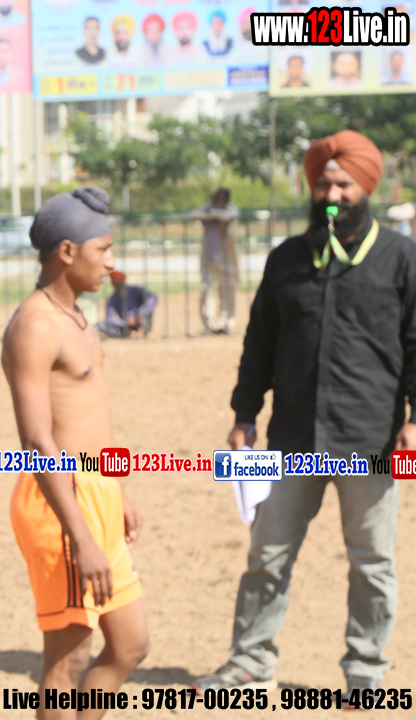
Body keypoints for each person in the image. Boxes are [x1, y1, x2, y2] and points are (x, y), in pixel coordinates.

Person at [194, 130, 414, 708]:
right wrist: (244, 413)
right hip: (292, 439)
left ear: (365, 187)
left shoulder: (400, 258)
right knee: (267, 556)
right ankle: (251, 663)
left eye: (343, 184)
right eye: (323, 184)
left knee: (372, 564)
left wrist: (414, 419)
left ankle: (365, 672)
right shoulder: (286, 259)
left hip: (371, 442)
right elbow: (259, 344)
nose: (331, 194)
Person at [4, 187, 148, 720]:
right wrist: (81, 535)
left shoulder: (77, 317)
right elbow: (37, 441)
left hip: (96, 490)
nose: (112, 262)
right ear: (67, 252)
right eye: (103, 249)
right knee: (66, 664)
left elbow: (91, 417)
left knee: (130, 644)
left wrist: (116, 489)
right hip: (59, 501)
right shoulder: (35, 325)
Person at [189, 188, 239, 334]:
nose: (217, 200)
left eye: (221, 198)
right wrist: (210, 212)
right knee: (206, 291)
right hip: (209, 259)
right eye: (216, 197)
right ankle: (209, 324)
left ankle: (226, 323)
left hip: (228, 260)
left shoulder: (231, 209)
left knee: (228, 291)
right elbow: (193, 214)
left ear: (226, 199)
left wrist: (211, 214)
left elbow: (227, 217)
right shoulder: (207, 207)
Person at [99, 271, 157, 339]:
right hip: (125, 326)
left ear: (122, 280)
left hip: (141, 321)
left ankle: (141, 332)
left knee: (146, 313)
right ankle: (130, 333)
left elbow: (152, 297)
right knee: (102, 325)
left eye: (116, 280)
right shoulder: (113, 298)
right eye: (113, 280)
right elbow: (109, 318)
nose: (114, 282)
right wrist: (125, 322)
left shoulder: (135, 290)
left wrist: (140, 314)